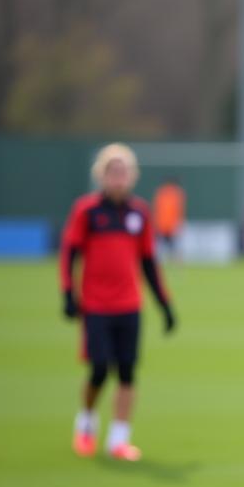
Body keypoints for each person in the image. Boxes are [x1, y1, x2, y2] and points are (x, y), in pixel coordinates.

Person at [60, 143, 176, 461]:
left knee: (127, 372)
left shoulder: (139, 212)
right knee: (99, 369)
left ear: (132, 176)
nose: (118, 177)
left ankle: (119, 440)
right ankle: (85, 423)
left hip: (129, 306)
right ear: (102, 175)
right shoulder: (87, 211)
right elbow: (69, 253)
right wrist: (67, 293)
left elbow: (149, 262)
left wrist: (164, 305)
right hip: (96, 306)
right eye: (113, 171)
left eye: (123, 171)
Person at [152, 176, 186, 258]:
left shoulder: (162, 192)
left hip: (163, 224)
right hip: (168, 225)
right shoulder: (177, 193)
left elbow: (157, 209)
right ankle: (176, 261)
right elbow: (179, 210)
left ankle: (174, 260)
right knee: (171, 246)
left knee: (169, 245)